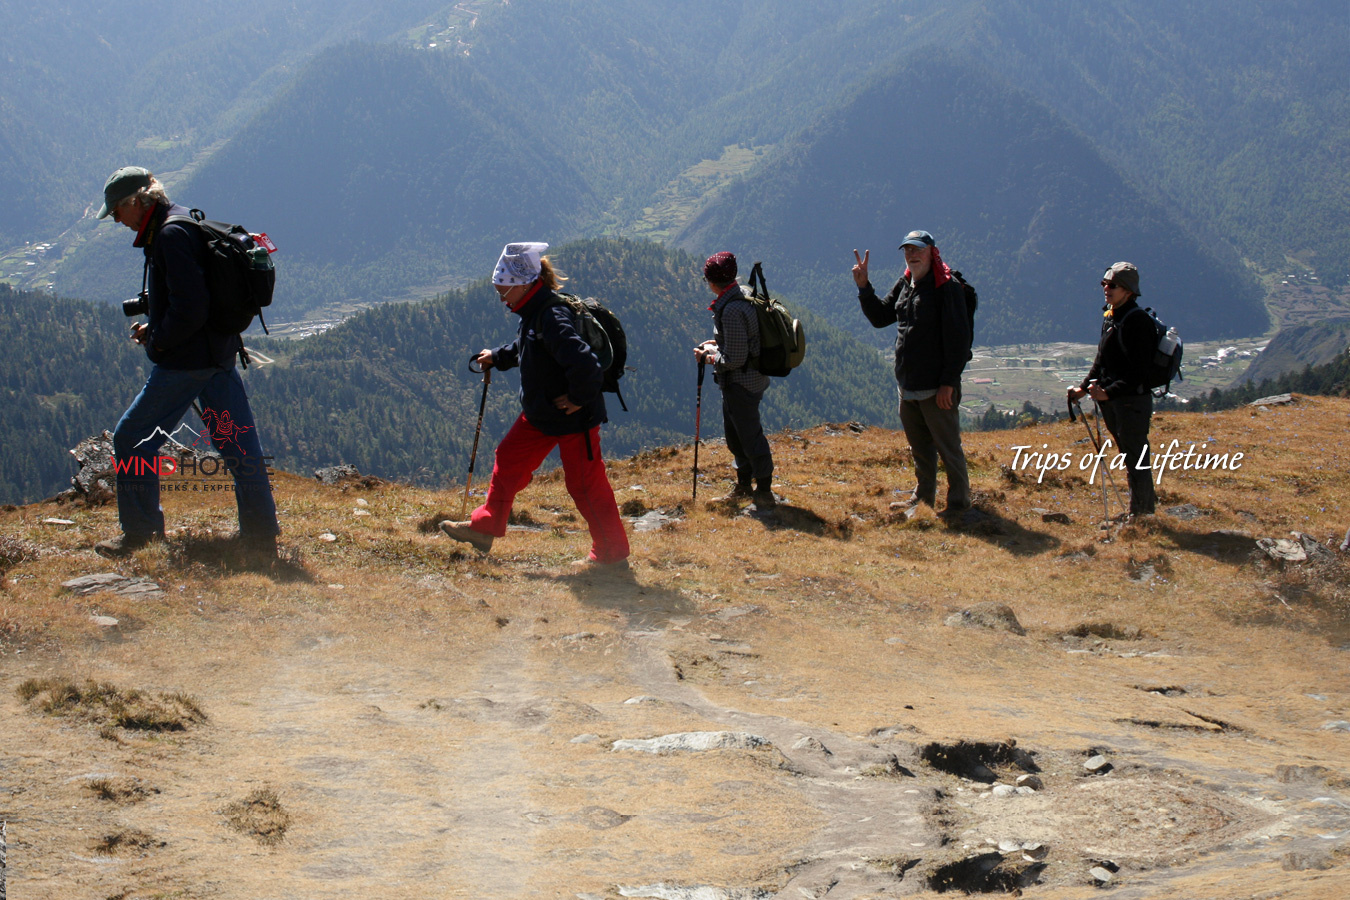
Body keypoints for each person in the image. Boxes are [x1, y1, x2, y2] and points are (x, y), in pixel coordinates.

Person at [94, 166, 280, 559]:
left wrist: (157, 342)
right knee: (240, 446)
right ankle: (261, 536)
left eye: (116, 211)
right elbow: (195, 300)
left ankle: (141, 535)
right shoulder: (183, 221)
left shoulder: (168, 235)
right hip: (219, 354)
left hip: (187, 362)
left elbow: (191, 308)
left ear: (135, 202)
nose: (116, 220)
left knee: (132, 438)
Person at [439, 243, 630, 569]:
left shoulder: (551, 315)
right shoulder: (534, 311)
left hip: (574, 418)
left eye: (505, 291)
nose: (502, 298)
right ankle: (485, 528)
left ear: (525, 283)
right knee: (509, 458)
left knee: (585, 485)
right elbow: (527, 346)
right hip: (542, 413)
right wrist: (497, 357)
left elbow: (585, 364)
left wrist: (578, 398)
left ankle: (612, 554)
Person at [853, 230, 971, 514]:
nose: (912, 255)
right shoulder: (907, 281)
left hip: (936, 387)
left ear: (932, 252)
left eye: (918, 250)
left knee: (948, 447)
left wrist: (948, 384)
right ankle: (923, 498)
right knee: (921, 449)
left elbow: (959, 341)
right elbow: (881, 317)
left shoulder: (947, 288)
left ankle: (959, 504)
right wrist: (864, 286)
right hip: (907, 385)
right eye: (907, 250)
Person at [1067, 262, 1157, 518]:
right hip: (1115, 402)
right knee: (1129, 456)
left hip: (1131, 402)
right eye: (1104, 283)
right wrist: (1084, 389)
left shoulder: (1137, 322)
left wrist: (1109, 392)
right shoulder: (1113, 316)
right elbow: (1102, 361)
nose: (1106, 288)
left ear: (1128, 291)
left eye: (1113, 285)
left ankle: (1142, 515)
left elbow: (1139, 372)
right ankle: (1139, 510)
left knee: (1136, 458)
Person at [694, 252, 776, 509]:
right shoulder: (740, 294)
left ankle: (763, 491)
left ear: (712, 281)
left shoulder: (730, 309)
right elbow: (742, 342)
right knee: (737, 435)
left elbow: (736, 358)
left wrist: (708, 358)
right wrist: (717, 344)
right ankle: (744, 485)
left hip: (741, 383)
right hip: (750, 379)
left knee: (749, 436)